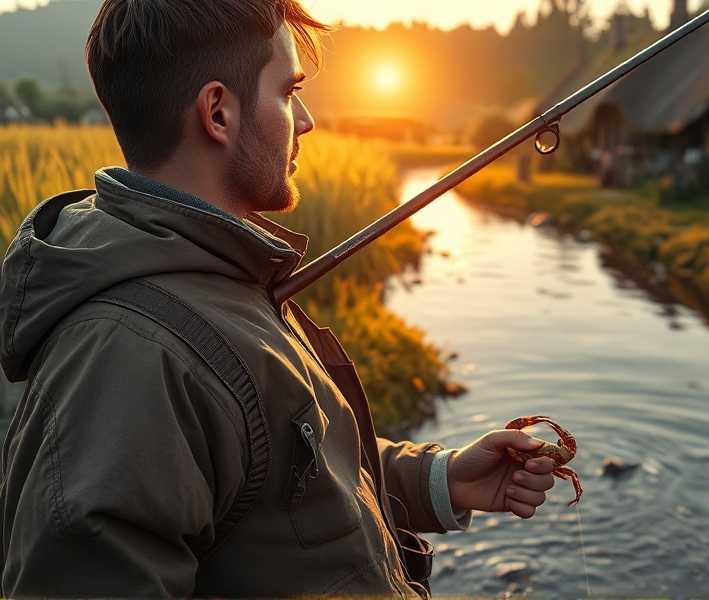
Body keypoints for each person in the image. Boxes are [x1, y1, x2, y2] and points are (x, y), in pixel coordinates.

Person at [0, 1, 556, 597]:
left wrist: (439, 480)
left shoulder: (220, 282)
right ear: (218, 111)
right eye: (289, 91)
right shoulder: (128, 357)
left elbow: (285, 473)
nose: (307, 120)